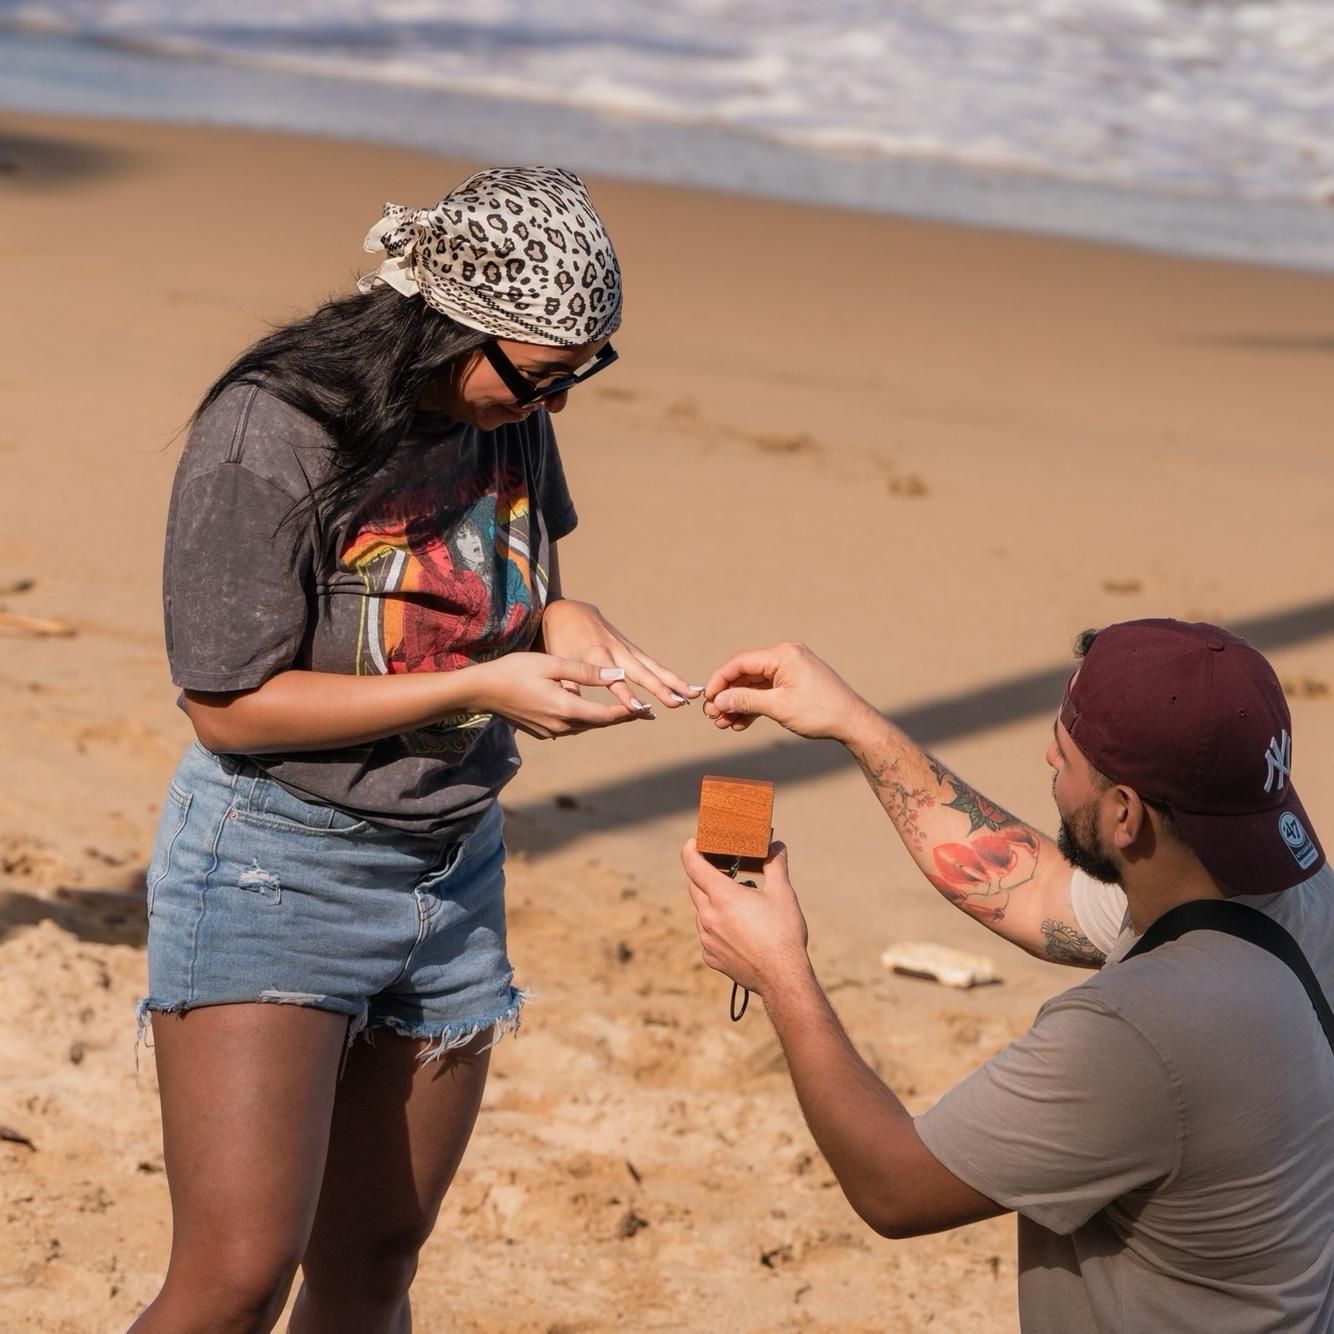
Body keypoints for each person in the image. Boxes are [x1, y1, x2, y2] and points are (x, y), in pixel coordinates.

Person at [137, 166, 702, 1333]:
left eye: (579, 373)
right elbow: (227, 705)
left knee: (374, 1262)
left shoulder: (504, 413)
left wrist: (569, 621)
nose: (554, 406)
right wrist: (481, 684)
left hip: (452, 869)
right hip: (274, 860)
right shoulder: (272, 428)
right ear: (447, 327)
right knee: (235, 1278)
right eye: (539, 376)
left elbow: (526, 585)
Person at [682, 622, 1334, 1331]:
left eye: (1068, 751)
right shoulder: (1285, 892)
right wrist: (854, 723)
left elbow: (893, 1185)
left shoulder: (1140, 1032)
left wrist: (780, 971)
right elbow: (1033, 891)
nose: (1049, 753)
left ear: (1124, 815)